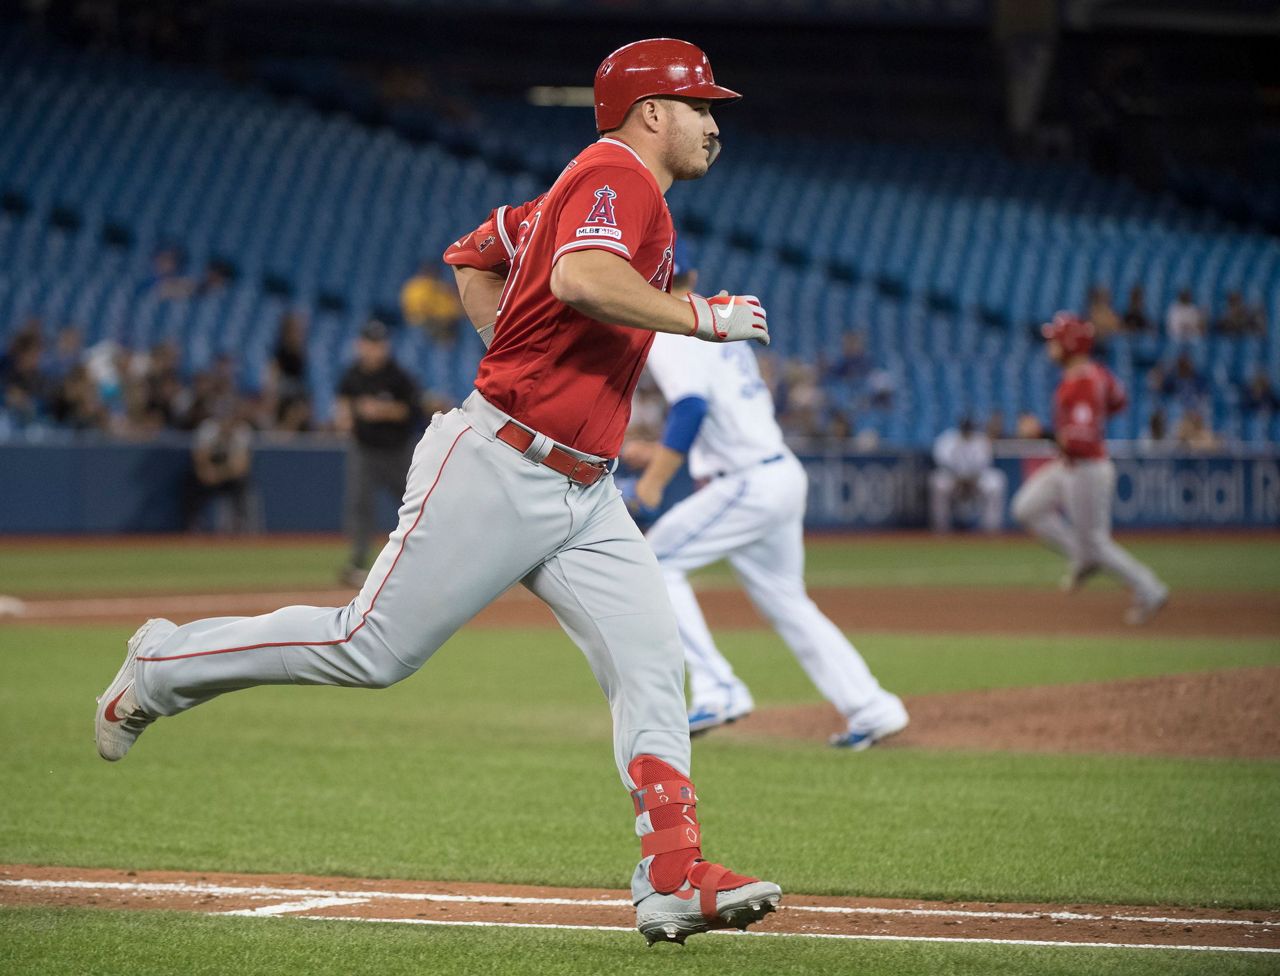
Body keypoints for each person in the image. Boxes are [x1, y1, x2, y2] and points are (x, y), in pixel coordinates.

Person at [94, 39, 780, 946]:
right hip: (502, 464)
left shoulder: (587, 189)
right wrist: (702, 316)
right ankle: (160, 665)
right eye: (700, 106)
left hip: (585, 490)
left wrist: (520, 334)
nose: (713, 123)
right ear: (652, 111)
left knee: (653, 663)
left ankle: (670, 876)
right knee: (370, 648)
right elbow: (578, 276)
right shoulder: (620, 176)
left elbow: (475, 251)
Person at [623, 248, 907, 749]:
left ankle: (718, 687)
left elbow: (690, 407)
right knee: (788, 602)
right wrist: (667, 456)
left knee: (654, 564)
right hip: (773, 470)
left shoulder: (672, 326)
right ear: (694, 274)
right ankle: (873, 707)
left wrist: (654, 483)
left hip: (749, 482)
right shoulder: (718, 319)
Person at [1012, 312, 1169, 624]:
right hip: (1070, 466)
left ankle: (1149, 587)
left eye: (1055, 340)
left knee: (1097, 543)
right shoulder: (1096, 373)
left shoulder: (1082, 383)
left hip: (1086, 469)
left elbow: (1080, 443)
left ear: (1070, 344)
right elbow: (1119, 401)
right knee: (1026, 508)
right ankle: (1082, 556)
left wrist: (1039, 433)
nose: (1050, 346)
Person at [334, 319, 421, 587]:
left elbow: (412, 412)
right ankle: (358, 563)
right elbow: (343, 407)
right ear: (360, 345)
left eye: (379, 344)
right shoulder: (351, 375)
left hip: (397, 450)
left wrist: (381, 411)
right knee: (359, 506)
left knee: (415, 504)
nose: (375, 349)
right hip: (365, 450)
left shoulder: (398, 376)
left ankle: (421, 559)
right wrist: (345, 418)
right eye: (370, 344)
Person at [185, 401, 255, 533]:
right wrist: (207, 472)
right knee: (190, 481)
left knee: (242, 482)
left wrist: (219, 474)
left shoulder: (241, 430)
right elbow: (199, 458)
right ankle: (194, 524)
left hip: (228, 476)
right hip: (208, 474)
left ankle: (241, 524)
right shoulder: (207, 428)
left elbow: (240, 466)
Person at [928, 417, 1007, 534]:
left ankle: (991, 528)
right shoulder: (947, 439)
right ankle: (941, 527)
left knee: (996, 481)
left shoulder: (980, 440)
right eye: (965, 428)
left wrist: (971, 479)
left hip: (976, 479)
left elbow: (984, 465)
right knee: (938, 482)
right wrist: (959, 478)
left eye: (969, 428)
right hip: (953, 478)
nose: (967, 431)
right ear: (960, 428)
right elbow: (942, 463)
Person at [400, 262, 464, 344]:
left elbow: (453, 307)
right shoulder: (415, 287)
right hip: (425, 322)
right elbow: (414, 310)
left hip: (446, 321)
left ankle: (447, 343)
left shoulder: (440, 286)